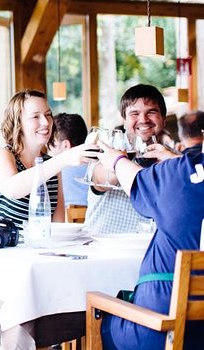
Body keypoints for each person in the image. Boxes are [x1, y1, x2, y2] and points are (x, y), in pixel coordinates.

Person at [94, 141, 204, 349]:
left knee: (101, 315)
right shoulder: (180, 170)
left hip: (159, 331)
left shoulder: (178, 174)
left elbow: (135, 180)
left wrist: (115, 160)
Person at [0, 89, 91, 228]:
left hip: (38, 249)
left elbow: (57, 226)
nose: (46, 122)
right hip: (2, 249)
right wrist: (65, 158)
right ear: (18, 123)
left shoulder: (52, 165)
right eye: (35, 117)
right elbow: (13, 190)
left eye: (48, 115)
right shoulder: (4, 155)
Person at [85, 84, 167, 235]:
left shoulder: (174, 160)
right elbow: (102, 180)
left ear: (163, 119)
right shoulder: (106, 154)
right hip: (105, 249)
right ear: (124, 120)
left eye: (151, 112)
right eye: (134, 113)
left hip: (154, 249)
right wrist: (124, 157)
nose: (143, 119)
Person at [48, 113, 89, 206]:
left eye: (51, 143)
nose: (48, 149)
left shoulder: (54, 172)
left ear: (66, 145)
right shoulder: (98, 170)